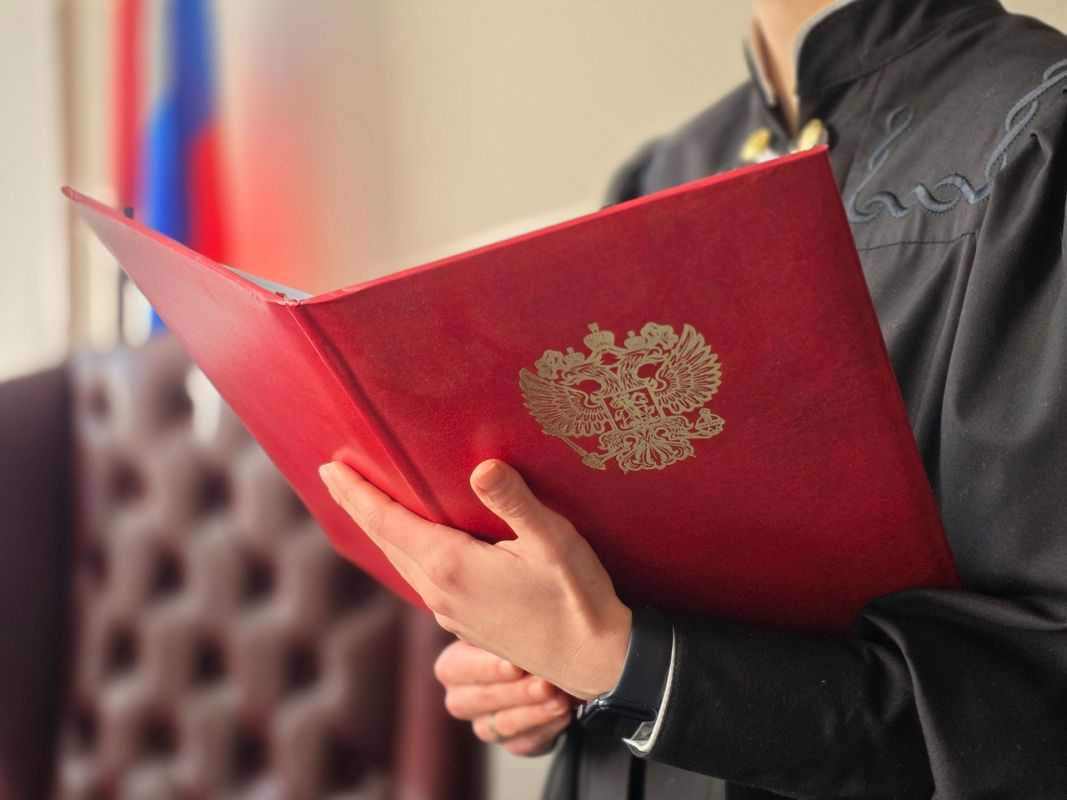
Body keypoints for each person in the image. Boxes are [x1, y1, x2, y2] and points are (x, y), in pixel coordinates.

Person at [318, 0, 1067, 796]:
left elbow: (1035, 690)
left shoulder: (1036, 136)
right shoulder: (669, 170)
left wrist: (618, 662)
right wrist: (536, 666)